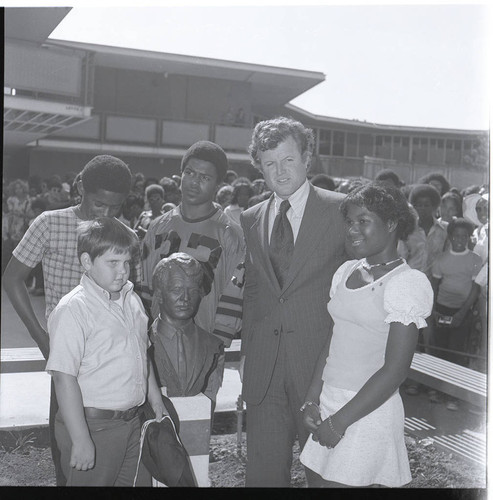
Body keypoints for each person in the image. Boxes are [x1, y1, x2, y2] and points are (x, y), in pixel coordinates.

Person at [3, 154, 138, 486]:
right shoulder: (50, 223)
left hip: (111, 361)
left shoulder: (122, 233)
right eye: (97, 204)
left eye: (114, 207)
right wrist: (40, 337)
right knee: (69, 449)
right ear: (80, 187)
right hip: (66, 357)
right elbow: (12, 278)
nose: (105, 214)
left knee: (113, 449)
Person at [300, 183, 433, 487]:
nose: (352, 230)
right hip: (330, 405)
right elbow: (333, 340)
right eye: (348, 221)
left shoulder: (406, 284)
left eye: (363, 221)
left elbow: (395, 371)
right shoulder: (346, 271)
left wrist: (341, 422)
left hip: (366, 411)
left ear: (391, 224)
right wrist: (312, 398)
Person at [239, 116, 347, 487]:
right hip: (264, 372)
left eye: (287, 160)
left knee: (325, 475)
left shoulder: (340, 210)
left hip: (320, 369)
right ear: (259, 167)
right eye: (269, 163)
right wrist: (247, 354)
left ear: (306, 158)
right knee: (264, 476)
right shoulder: (251, 217)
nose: (280, 171)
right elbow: (254, 291)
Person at [46, 217, 166, 486]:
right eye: (112, 263)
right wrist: (81, 439)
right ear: (87, 262)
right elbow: (63, 377)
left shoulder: (131, 299)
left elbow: (141, 353)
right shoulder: (73, 310)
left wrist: (156, 399)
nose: (122, 271)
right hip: (93, 426)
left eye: (126, 263)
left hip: (132, 423)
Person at [141, 140, 245, 363]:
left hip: (204, 345)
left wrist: (217, 342)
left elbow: (234, 295)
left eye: (205, 177)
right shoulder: (157, 226)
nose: (194, 182)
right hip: (155, 344)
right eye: (189, 173)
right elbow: (145, 289)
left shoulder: (230, 234)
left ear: (218, 184)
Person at [149, 252, 224, 402]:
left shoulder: (213, 346)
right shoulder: (142, 343)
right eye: (176, 290)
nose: (185, 298)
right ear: (159, 294)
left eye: (193, 291)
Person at [430, 218, 482, 410]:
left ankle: (453, 395)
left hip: (463, 311)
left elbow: (475, 290)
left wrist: (462, 313)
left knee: (457, 351)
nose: (460, 239)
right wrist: (434, 310)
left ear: (469, 238)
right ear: (450, 237)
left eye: (464, 236)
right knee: (441, 350)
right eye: (456, 236)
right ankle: (436, 389)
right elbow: (435, 285)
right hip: (442, 309)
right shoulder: (441, 259)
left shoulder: (475, 260)